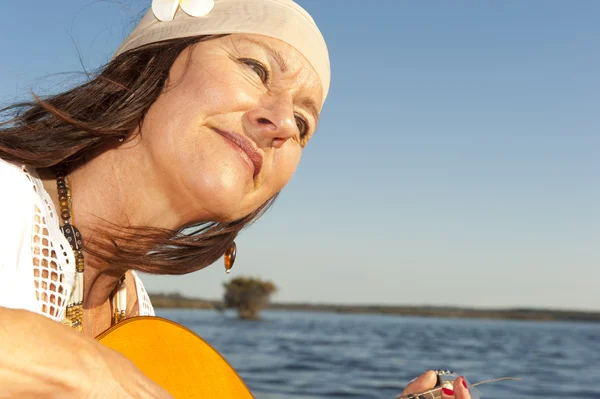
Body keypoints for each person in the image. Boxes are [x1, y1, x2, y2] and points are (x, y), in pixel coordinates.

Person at [0, 0, 471, 398]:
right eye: (255, 68)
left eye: (303, 125)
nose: (285, 123)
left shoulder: (135, 310)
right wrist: (92, 373)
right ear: (156, 62)